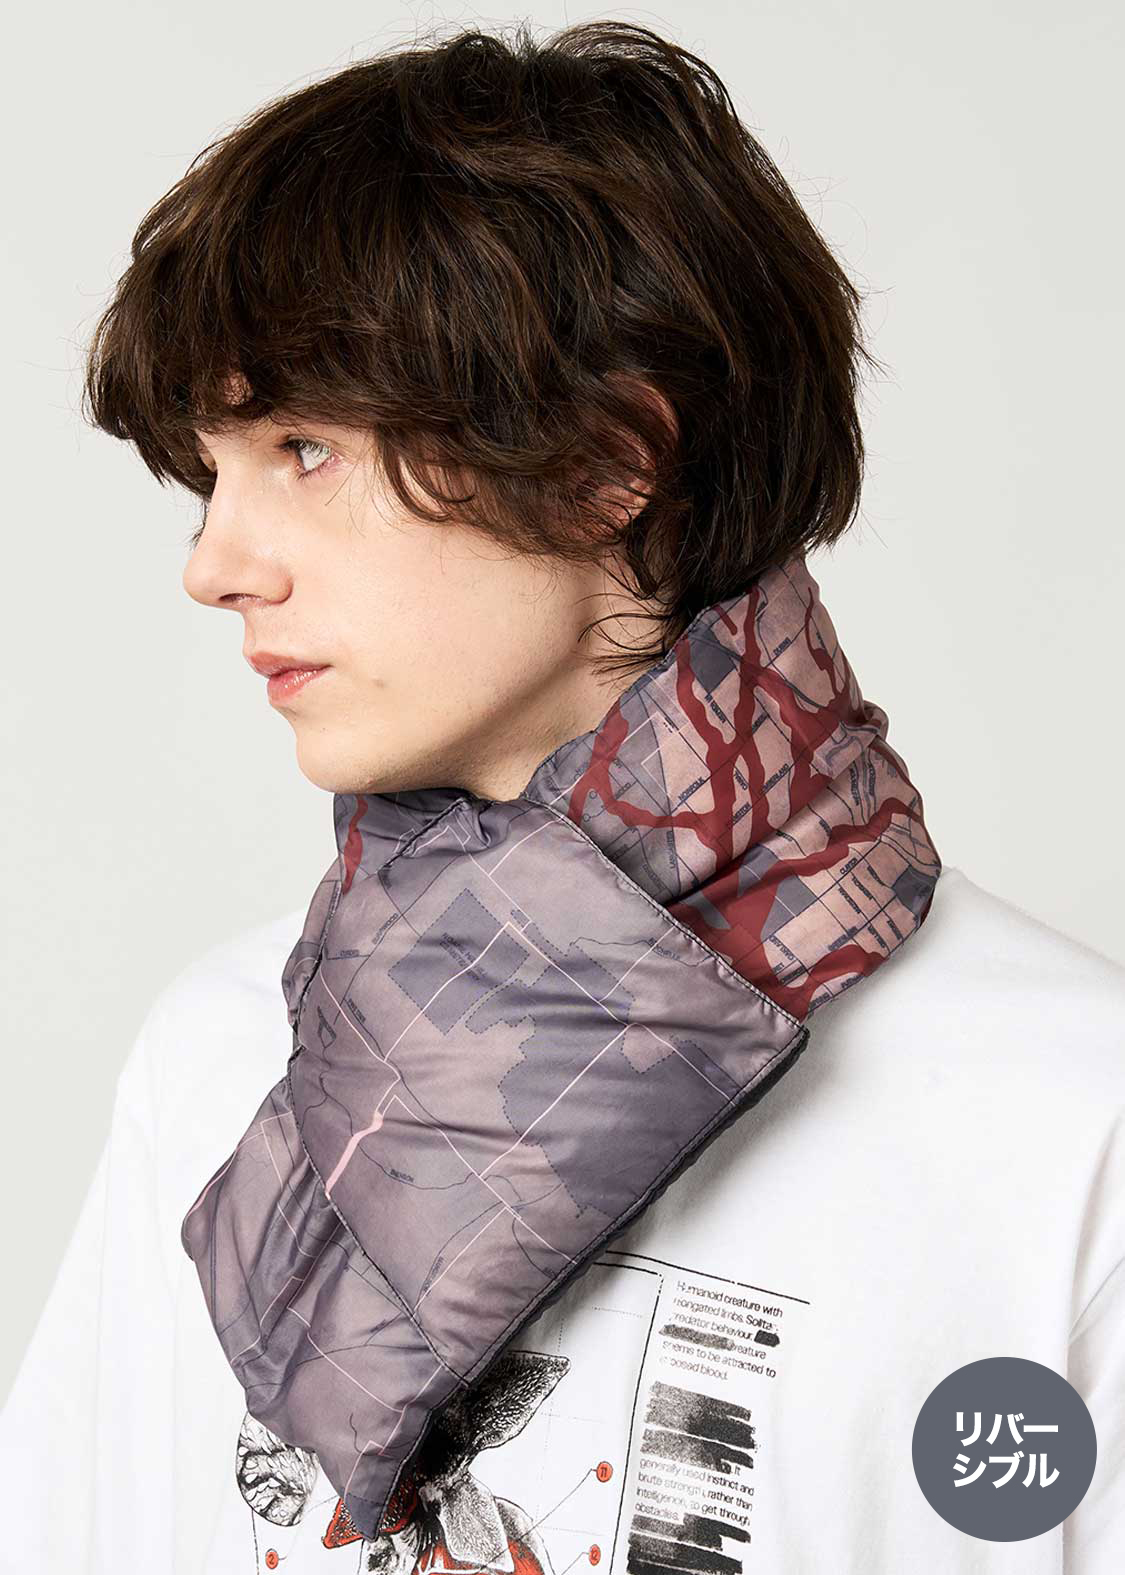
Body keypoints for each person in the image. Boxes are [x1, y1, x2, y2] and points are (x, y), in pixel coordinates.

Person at [2, 19, 1122, 1573]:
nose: (214, 565)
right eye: (212, 474)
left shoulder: (1069, 1118)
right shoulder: (221, 1059)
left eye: (302, 448)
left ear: (605, 462)